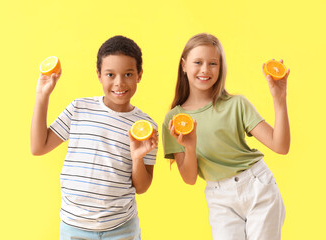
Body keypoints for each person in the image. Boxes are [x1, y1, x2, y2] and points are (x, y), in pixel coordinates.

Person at [162, 33, 290, 240]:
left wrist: (279, 98)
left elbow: (280, 146)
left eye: (213, 63)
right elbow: (189, 178)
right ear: (184, 65)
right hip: (219, 197)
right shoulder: (175, 119)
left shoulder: (237, 104)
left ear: (221, 68)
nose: (205, 69)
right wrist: (191, 146)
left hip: (258, 186)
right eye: (197, 62)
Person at [31, 35, 158, 240]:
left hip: (122, 228)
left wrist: (137, 157)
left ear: (139, 75)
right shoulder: (79, 108)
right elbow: (39, 147)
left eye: (128, 74)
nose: (119, 83)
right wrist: (42, 95)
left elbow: (142, 187)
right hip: (74, 227)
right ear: (99, 75)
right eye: (110, 74)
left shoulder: (145, 127)